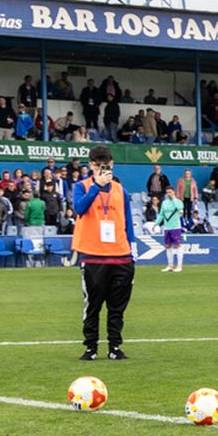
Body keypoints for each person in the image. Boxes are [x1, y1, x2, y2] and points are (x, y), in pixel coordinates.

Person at [71, 144, 137, 360]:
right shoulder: (81, 186)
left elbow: (128, 222)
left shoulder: (121, 190)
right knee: (93, 306)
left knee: (117, 307)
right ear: (91, 165)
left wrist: (132, 249)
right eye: (98, 166)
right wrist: (96, 187)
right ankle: (91, 347)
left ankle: (115, 347)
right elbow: (80, 209)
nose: (103, 169)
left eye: (106, 166)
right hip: (93, 256)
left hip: (121, 256)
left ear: (112, 165)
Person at [157, 185, 185, 272]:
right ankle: (170, 265)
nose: (169, 194)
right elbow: (161, 214)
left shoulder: (178, 202)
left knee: (177, 245)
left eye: (170, 192)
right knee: (168, 245)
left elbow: (180, 208)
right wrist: (156, 223)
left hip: (175, 226)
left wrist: (173, 199)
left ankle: (179, 266)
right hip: (167, 227)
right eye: (167, 192)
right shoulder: (164, 203)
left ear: (173, 192)